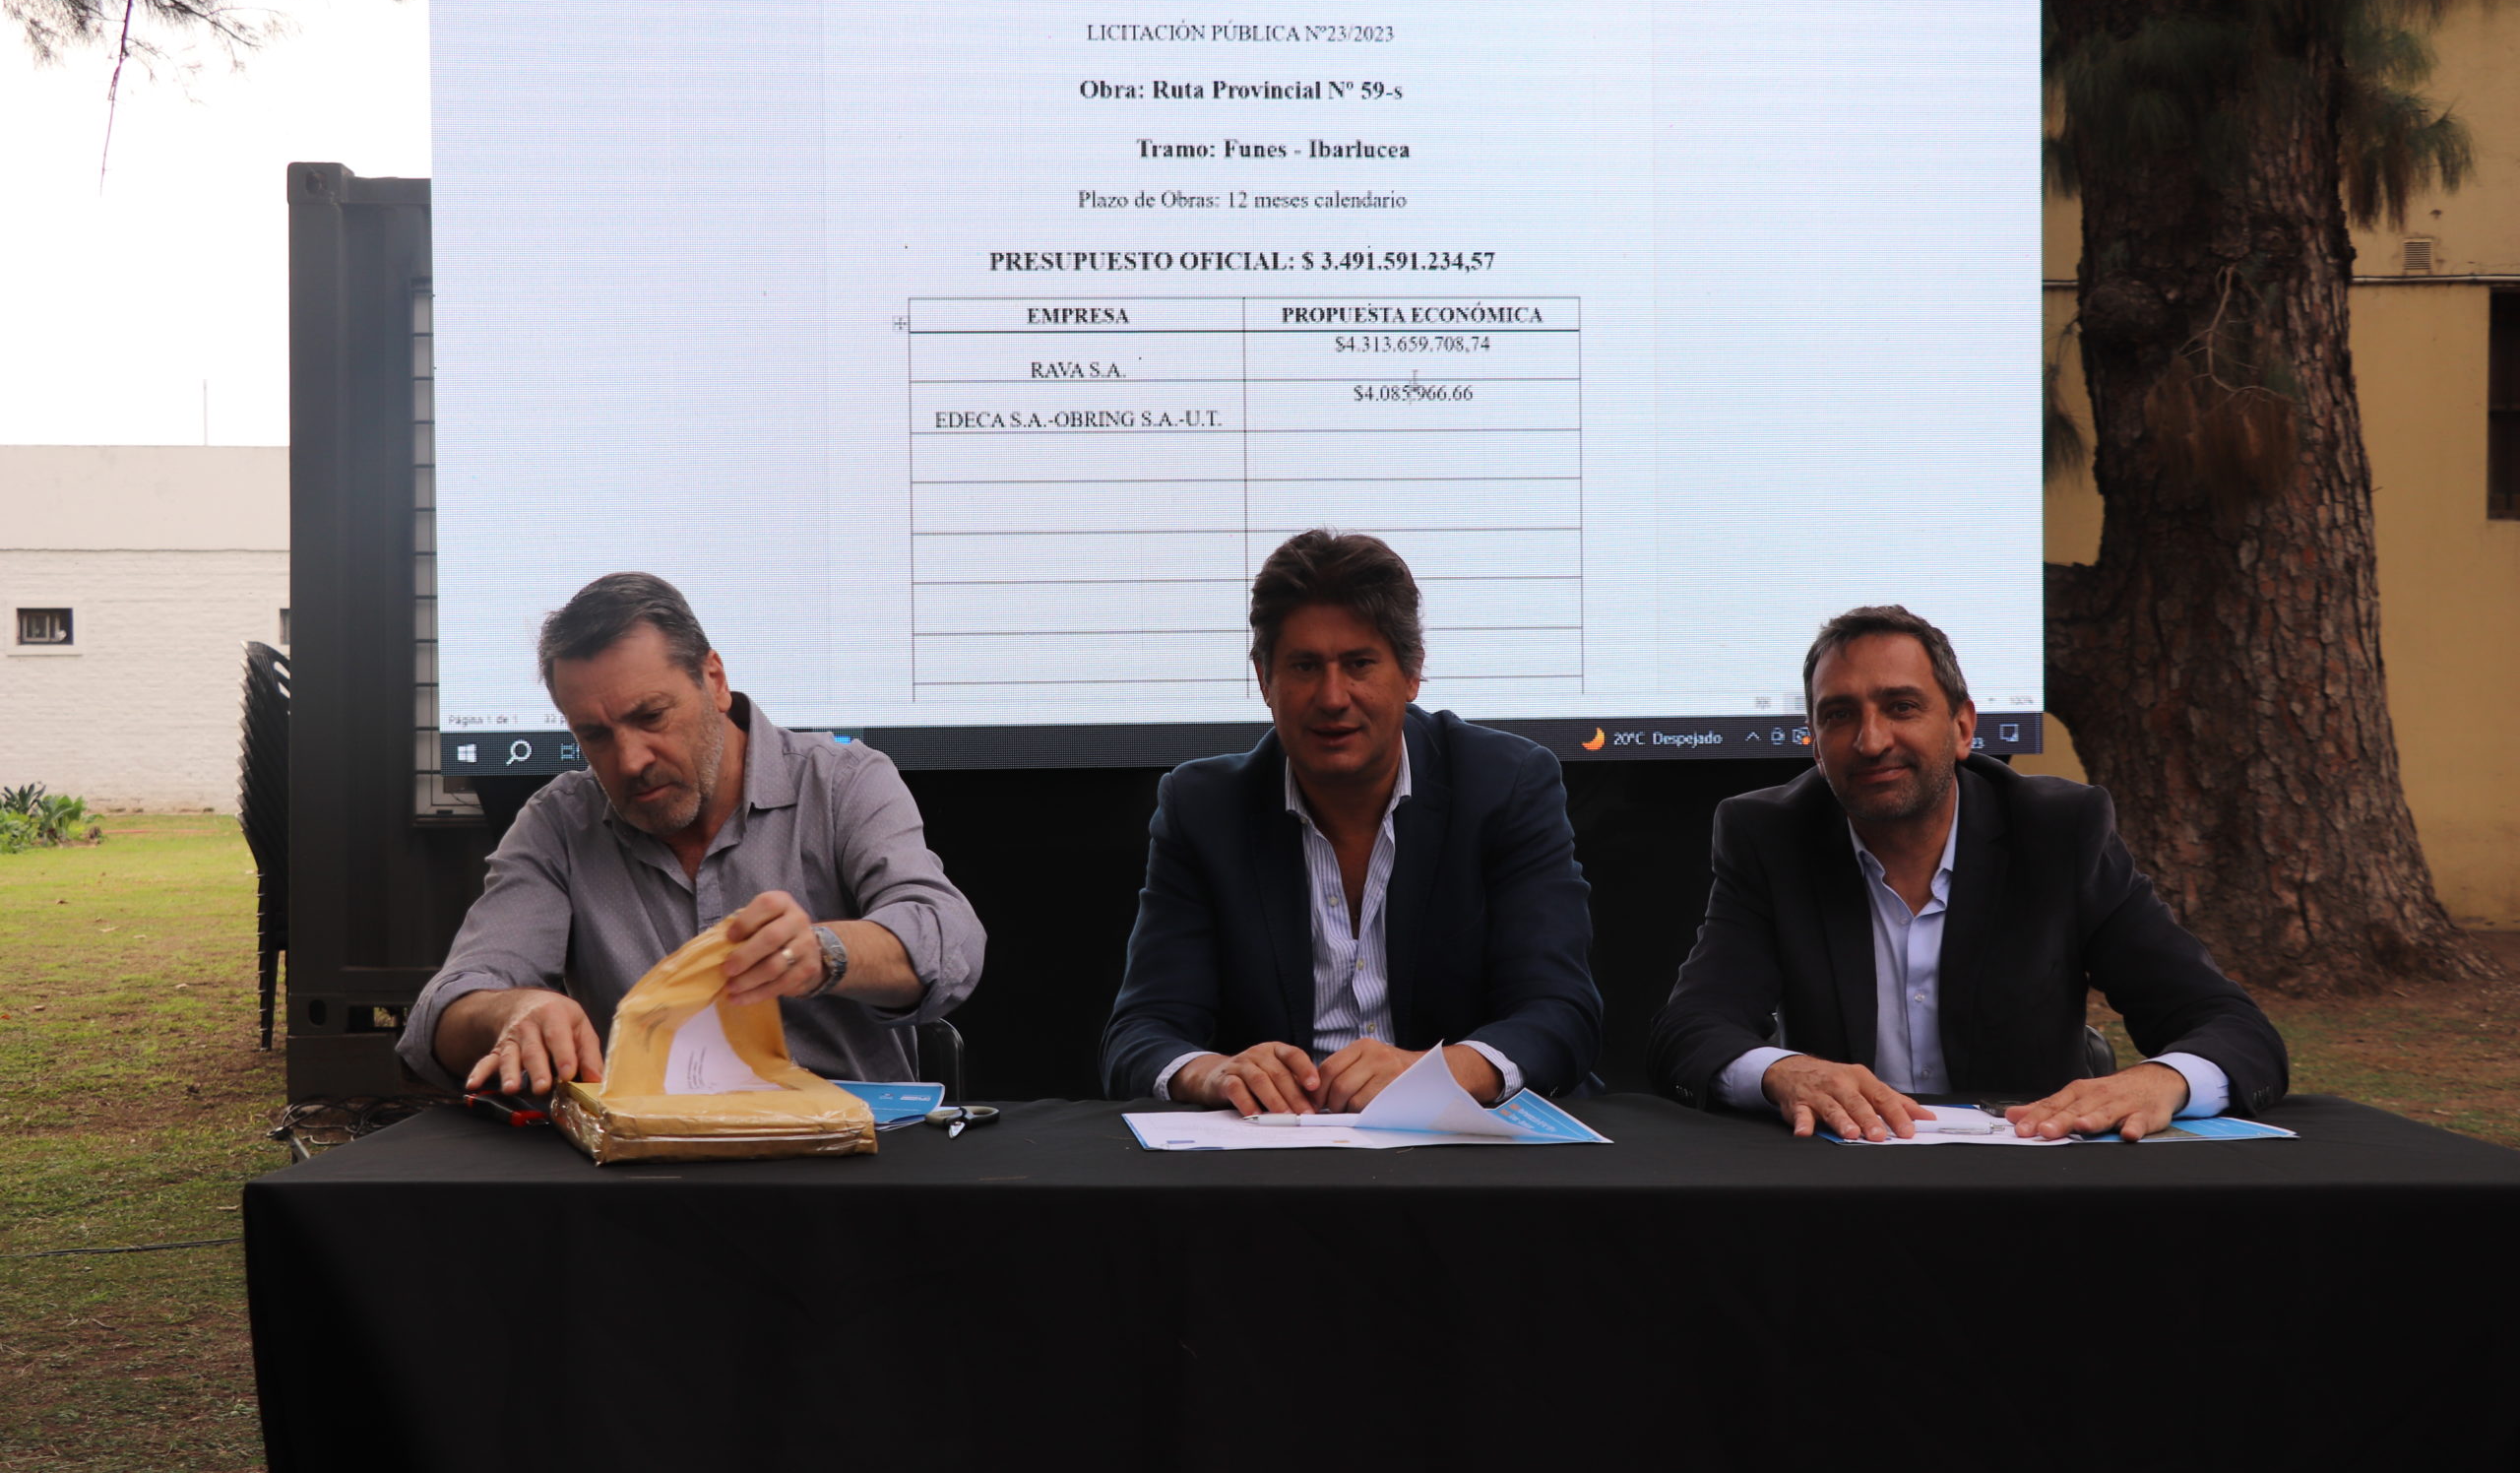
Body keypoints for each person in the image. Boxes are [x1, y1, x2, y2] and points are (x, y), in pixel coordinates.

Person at [1648, 604, 2286, 1142]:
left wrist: (2164, 1080)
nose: (1871, 740)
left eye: (1901, 706)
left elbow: (2233, 1027)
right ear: (1813, 742)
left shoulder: (2058, 833)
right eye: (1838, 714)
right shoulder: (1770, 837)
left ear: (1962, 728)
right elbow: (1691, 1029)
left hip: (2028, 1179)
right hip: (1845, 1184)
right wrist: (1783, 1072)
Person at [399, 572, 983, 1096]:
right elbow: (439, 1019)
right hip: (646, 1161)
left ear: (714, 680)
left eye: (650, 716)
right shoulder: (559, 823)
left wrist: (824, 953)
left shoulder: (842, 782)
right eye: (595, 735)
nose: (630, 761)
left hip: (844, 1152)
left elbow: (947, 943)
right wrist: (511, 1011)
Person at [1101, 530, 1601, 1112]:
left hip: (1463, 1143)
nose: (1333, 697)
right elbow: (1140, 1033)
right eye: (1305, 666)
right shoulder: (1203, 808)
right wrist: (1215, 1074)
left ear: (1411, 672)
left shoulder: (1504, 786)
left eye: (1359, 664)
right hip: (1278, 1146)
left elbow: (1561, 1014)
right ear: (1264, 680)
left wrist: (1433, 1073)